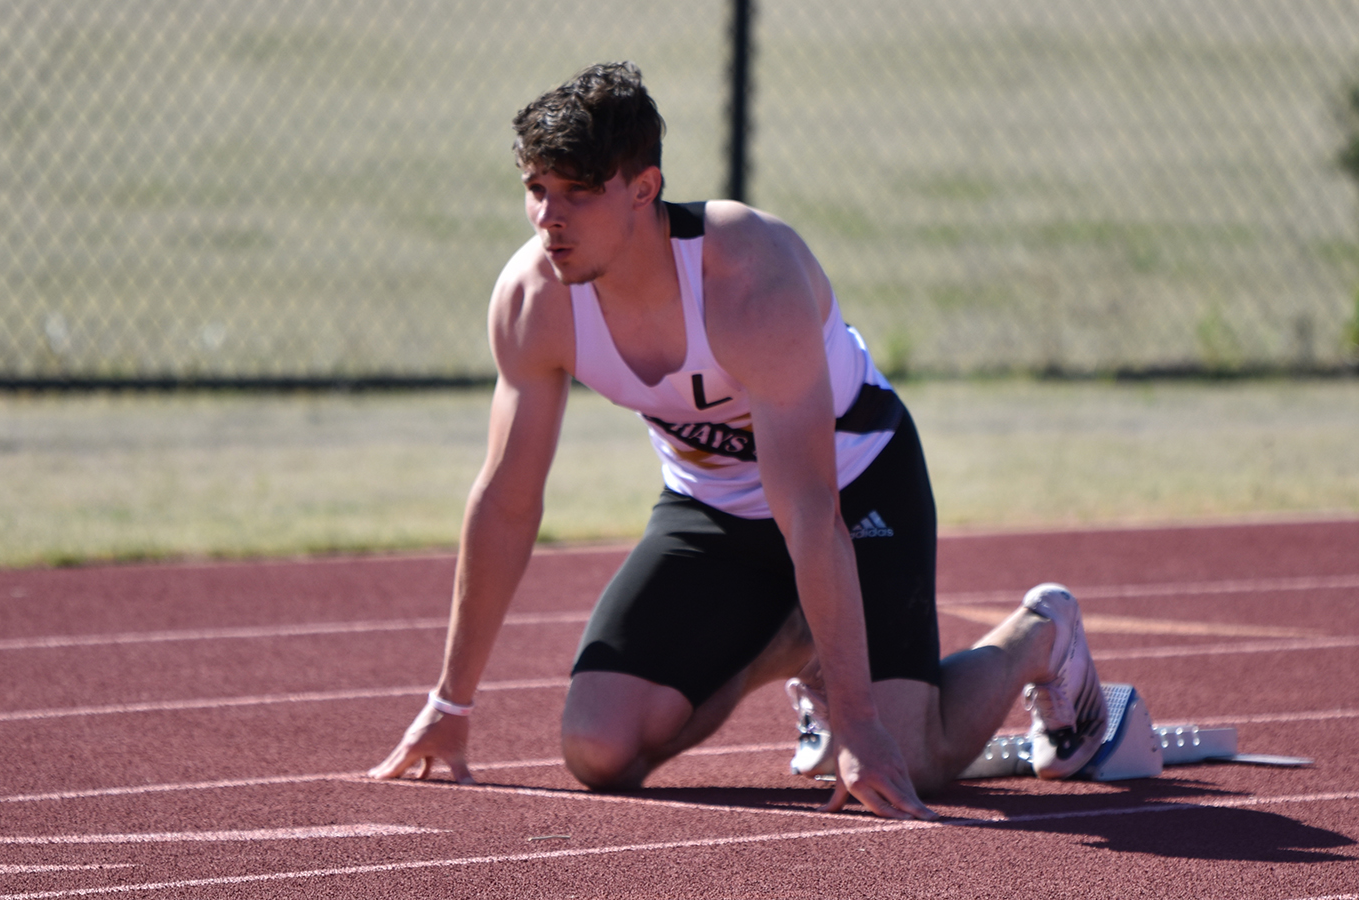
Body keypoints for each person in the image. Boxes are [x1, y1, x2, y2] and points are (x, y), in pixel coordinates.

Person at [369, 62, 1108, 819]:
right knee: (598, 749)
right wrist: (451, 705)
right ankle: (795, 637)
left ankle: (1041, 634)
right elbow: (506, 500)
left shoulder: (751, 278)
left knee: (905, 760)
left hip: (851, 488)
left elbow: (811, 511)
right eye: (536, 190)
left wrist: (857, 722)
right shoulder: (532, 299)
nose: (546, 219)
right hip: (711, 506)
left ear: (644, 188)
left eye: (578, 194)